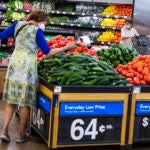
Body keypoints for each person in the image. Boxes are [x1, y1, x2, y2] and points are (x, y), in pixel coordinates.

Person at [0, 10, 76, 143]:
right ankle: (22, 134)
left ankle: (4, 131)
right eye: (45, 23)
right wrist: (66, 47)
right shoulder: (37, 32)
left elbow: (2, 35)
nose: (44, 25)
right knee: (25, 102)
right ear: (40, 20)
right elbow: (49, 52)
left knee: (11, 99)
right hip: (27, 67)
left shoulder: (18, 24)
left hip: (14, 63)